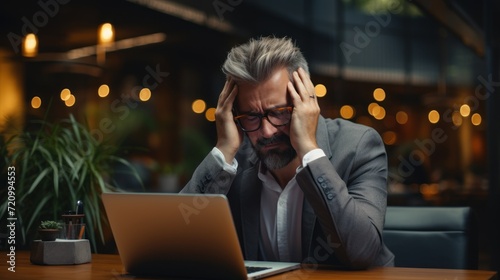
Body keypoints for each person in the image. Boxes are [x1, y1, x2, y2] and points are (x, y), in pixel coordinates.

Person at [180, 36, 395, 269]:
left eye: (280, 112)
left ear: (306, 101)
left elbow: (363, 252)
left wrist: (309, 151)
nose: (266, 130)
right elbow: (172, 241)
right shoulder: (233, 161)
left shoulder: (359, 145)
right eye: (251, 116)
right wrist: (223, 150)